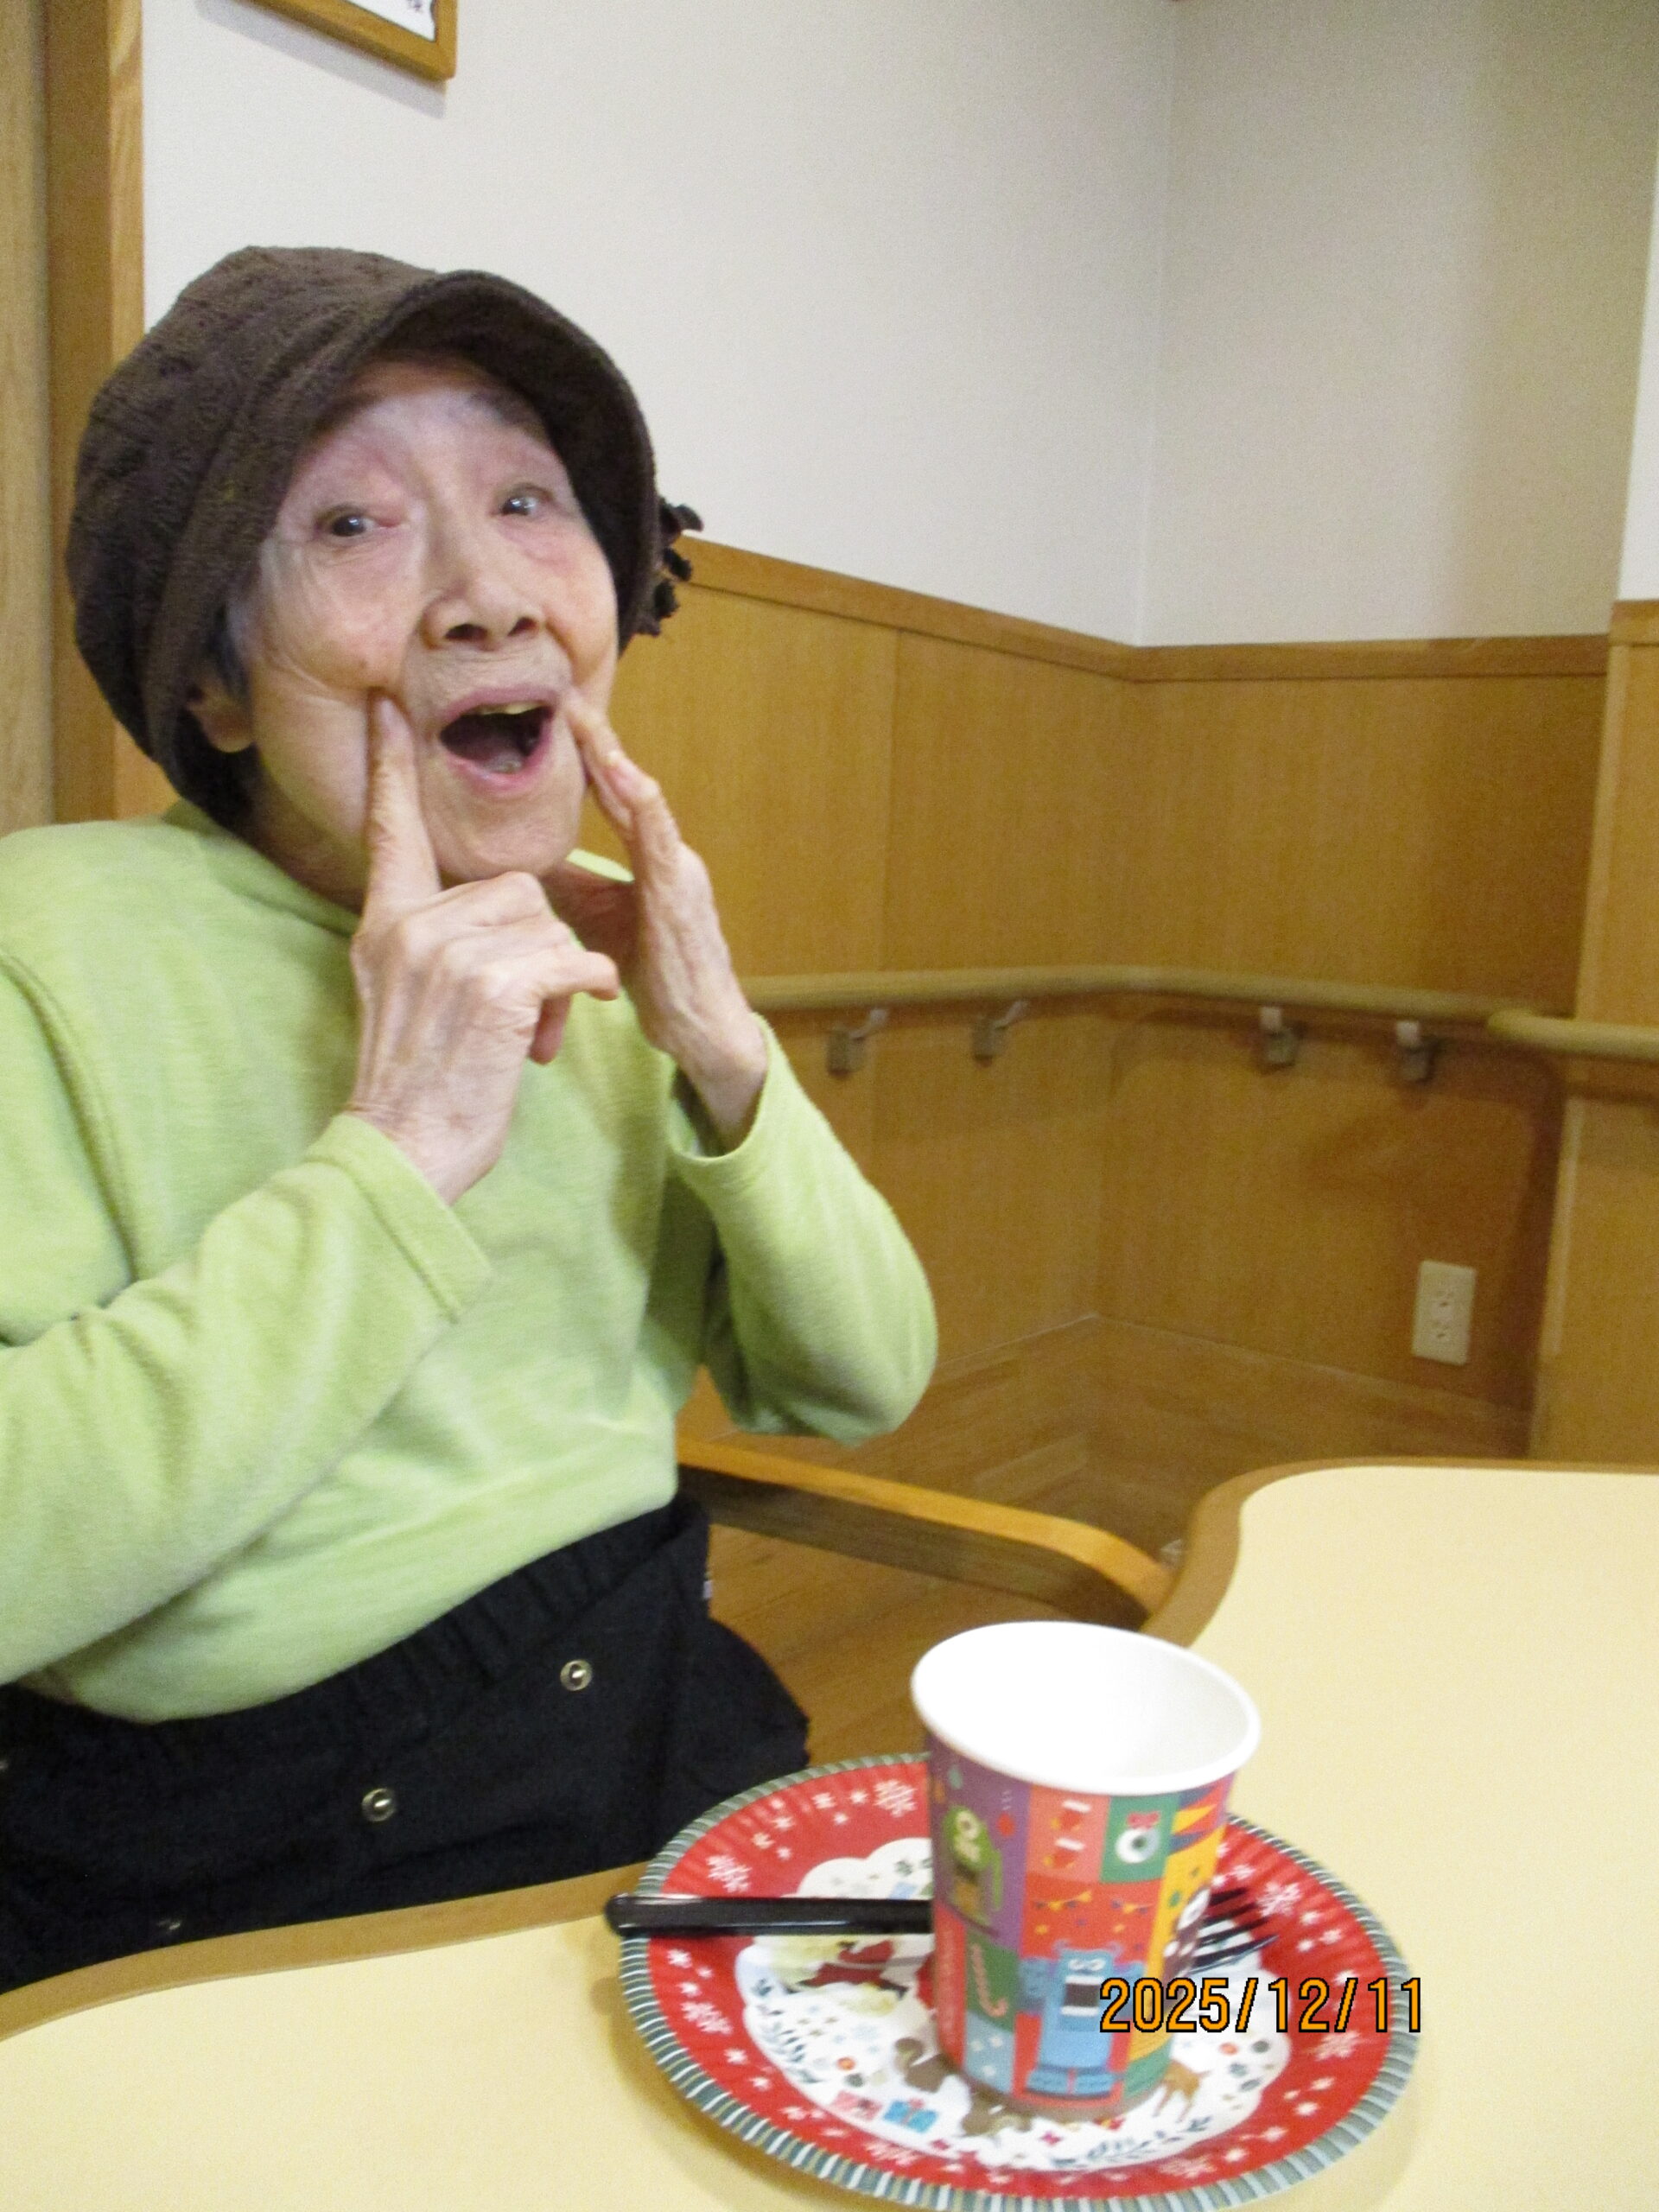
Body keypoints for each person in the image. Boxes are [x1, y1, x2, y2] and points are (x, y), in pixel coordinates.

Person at [0, 247, 936, 1994]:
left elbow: (860, 1380)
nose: (486, 594)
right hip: (231, 1851)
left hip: (649, 1706)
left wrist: (726, 1053)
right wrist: (397, 1156)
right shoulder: (39, 944)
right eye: (351, 525)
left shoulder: (588, 947)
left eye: (526, 499)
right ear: (211, 687)